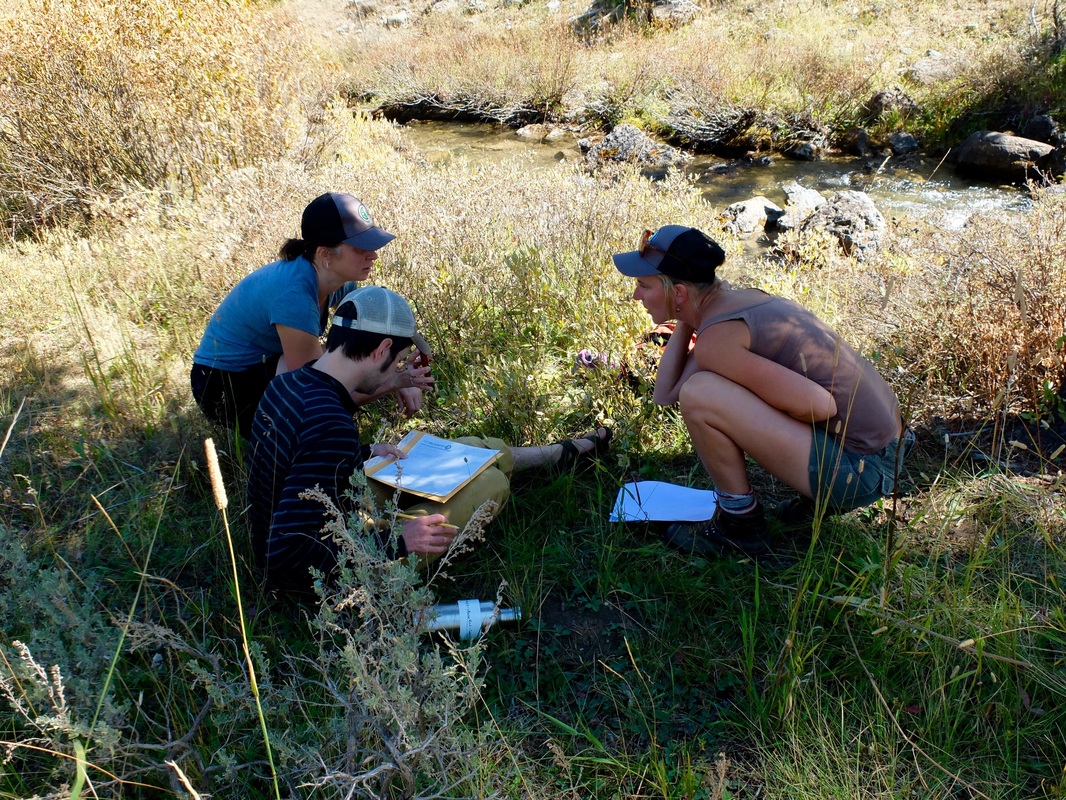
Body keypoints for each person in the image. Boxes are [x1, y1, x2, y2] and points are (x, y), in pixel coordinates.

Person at [246, 285, 611, 595]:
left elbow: (296, 464)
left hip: (327, 514)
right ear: (380, 349)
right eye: (398, 360)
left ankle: (558, 454)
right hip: (326, 577)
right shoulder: (330, 423)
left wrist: (362, 453)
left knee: (470, 450)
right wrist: (399, 541)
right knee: (491, 483)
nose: (397, 369)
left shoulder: (288, 384)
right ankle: (544, 460)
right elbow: (287, 553)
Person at [613, 225, 912, 557]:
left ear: (679, 292)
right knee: (708, 389)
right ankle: (810, 500)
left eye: (643, 285)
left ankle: (740, 527)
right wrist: (686, 316)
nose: (636, 295)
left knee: (700, 393)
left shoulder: (718, 338)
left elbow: (819, 404)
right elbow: (666, 394)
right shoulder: (736, 304)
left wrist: (757, 415)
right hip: (889, 450)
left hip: (863, 470)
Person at [191, 192, 432, 439]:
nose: (373, 255)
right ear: (325, 254)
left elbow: (360, 345)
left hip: (264, 364)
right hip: (220, 384)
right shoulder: (294, 294)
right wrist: (394, 381)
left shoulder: (339, 280)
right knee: (317, 395)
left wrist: (394, 365)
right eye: (361, 247)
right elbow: (321, 385)